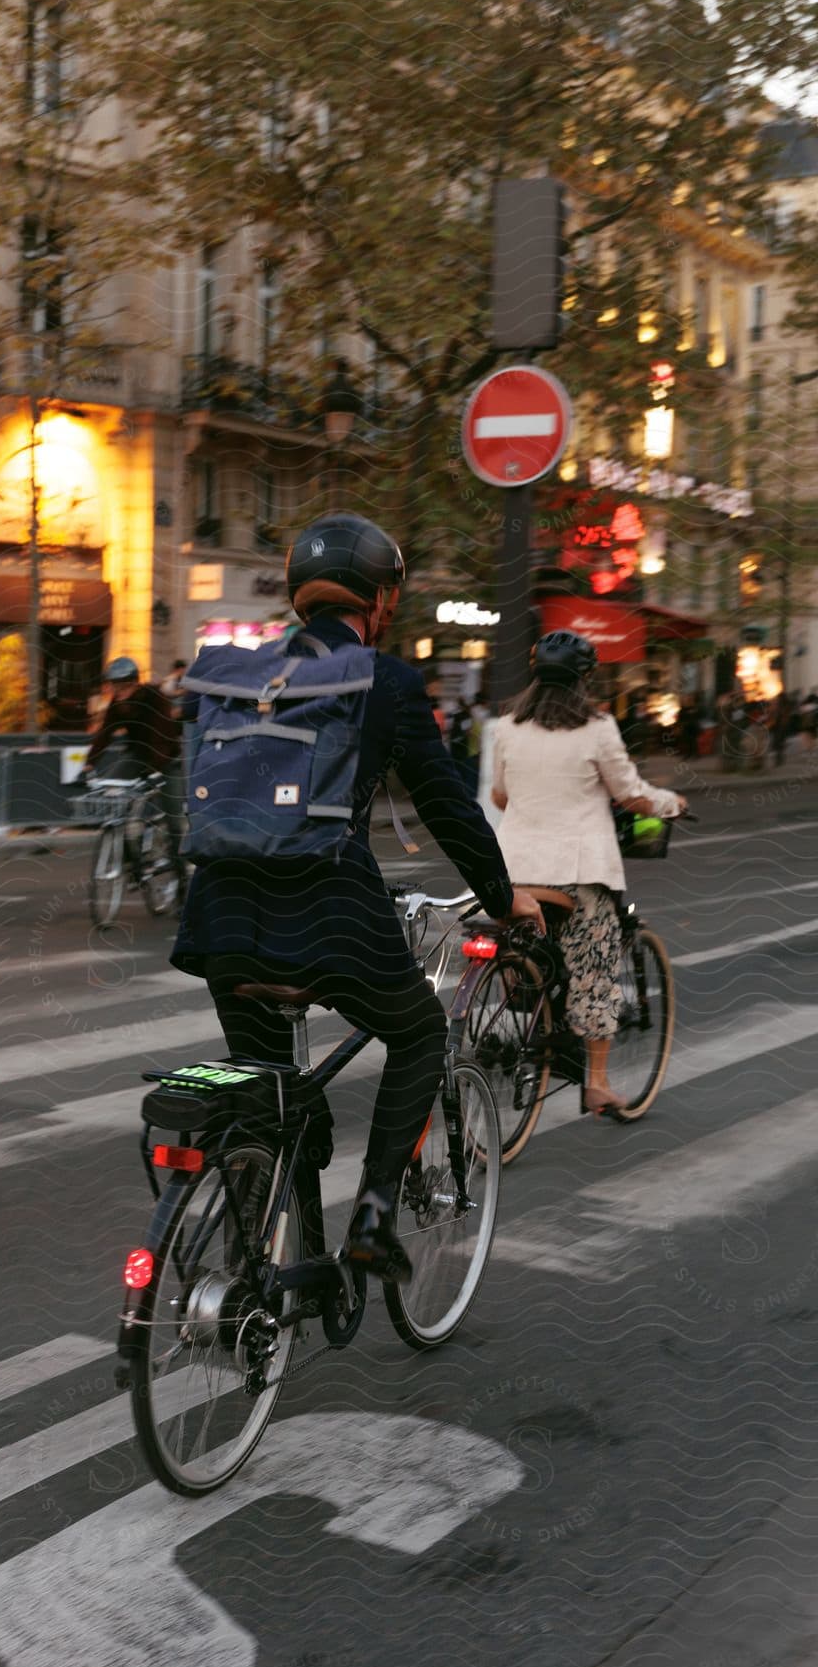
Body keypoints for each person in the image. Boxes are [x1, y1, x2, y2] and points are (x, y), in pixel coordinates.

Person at [171, 513, 543, 1280]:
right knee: (417, 1035)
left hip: (220, 919)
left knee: (273, 1097)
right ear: (379, 600)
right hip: (330, 918)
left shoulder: (239, 674)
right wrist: (505, 899)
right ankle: (372, 1219)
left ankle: (276, 1269)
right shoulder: (390, 681)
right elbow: (445, 806)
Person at [490, 630, 686, 1118]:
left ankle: (528, 1009)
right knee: (595, 973)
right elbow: (630, 795)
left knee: (519, 948)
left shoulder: (507, 725)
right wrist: (670, 802)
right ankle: (597, 1084)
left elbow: (499, 795)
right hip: (577, 874)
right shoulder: (598, 727)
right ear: (586, 678)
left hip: (512, 870)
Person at [86, 656, 185, 878]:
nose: (116, 690)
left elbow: (162, 735)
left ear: (133, 683)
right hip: (137, 756)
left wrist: (156, 770)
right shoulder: (117, 704)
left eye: (121, 686)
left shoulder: (154, 698)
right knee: (113, 792)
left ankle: (182, 884)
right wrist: (89, 764)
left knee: (174, 823)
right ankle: (131, 857)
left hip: (167, 759)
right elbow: (105, 733)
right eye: (113, 685)